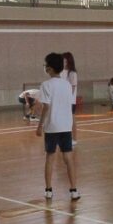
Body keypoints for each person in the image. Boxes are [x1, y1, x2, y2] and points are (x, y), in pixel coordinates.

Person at [36, 53, 79, 200]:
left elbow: (46, 107)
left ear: (49, 68)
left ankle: (48, 190)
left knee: (50, 157)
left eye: (45, 64)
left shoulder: (46, 85)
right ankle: (74, 190)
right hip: (66, 126)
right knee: (68, 158)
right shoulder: (67, 85)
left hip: (52, 126)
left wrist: (39, 126)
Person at [62, 52, 78, 143]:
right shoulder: (61, 72)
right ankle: (65, 138)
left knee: (72, 119)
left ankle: (74, 138)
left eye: (64, 61)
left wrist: (66, 99)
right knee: (63, 120)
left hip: (70, 101)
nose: (63, 63)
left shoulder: (72, 73)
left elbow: (72, 87)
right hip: (62, 101)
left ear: (69, 61)